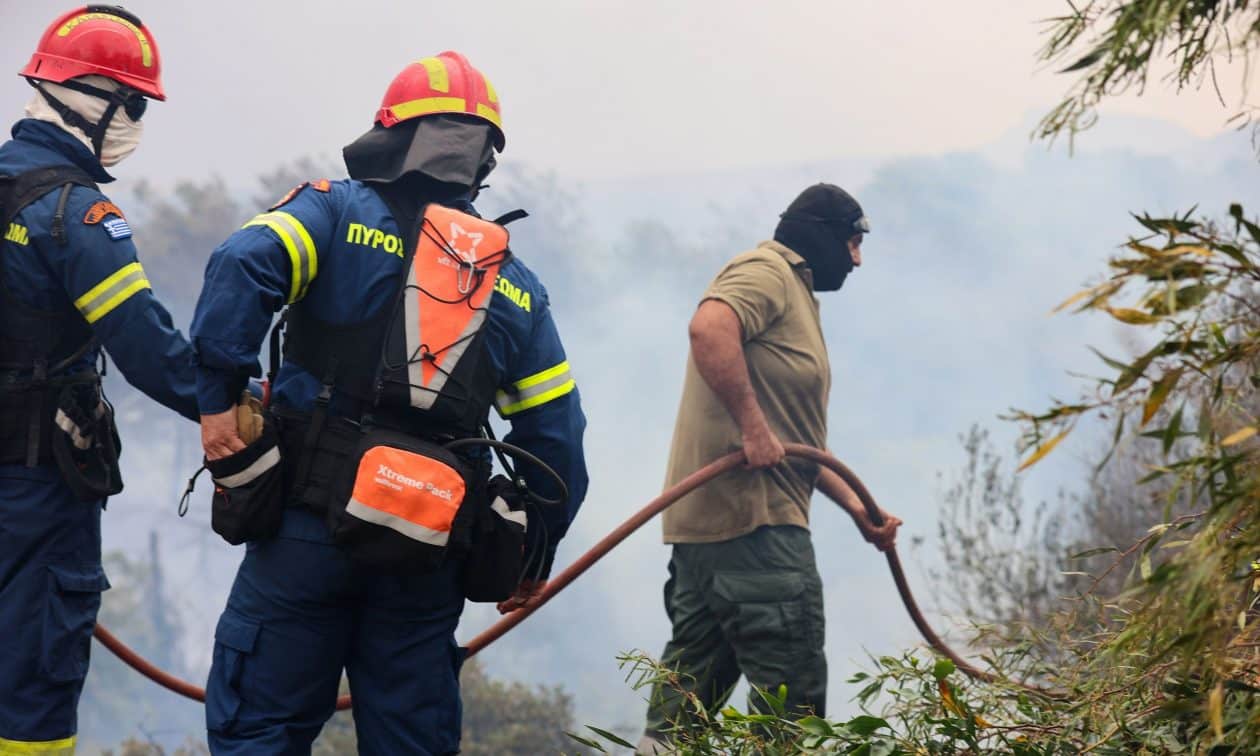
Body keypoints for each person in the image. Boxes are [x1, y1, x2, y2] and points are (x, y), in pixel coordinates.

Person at [190, 51, 588, 754]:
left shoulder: (333, 213)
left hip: (304, 537)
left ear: (389, 135)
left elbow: (239, 264)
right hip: (425, 552)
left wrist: (220, 400)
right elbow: (556, 440)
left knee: (260, 734)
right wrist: (537, 550)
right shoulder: (517, 286)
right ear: (484, 161)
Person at [638, 183, 903, 753]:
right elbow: (709, 328)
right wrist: (751, 426)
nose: (857, 259)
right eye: (854, 242)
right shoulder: (767, 270)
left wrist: (858, 507)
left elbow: (792, 445)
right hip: (756, 527)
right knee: (793, 696)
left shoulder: (799, 296)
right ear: (822, 235)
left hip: (712, 533)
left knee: (685, 699)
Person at [0, 6, 199, 754]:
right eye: (135, 105)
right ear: (96, 101)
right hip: (36, 492)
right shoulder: (75, 214)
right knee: (33, 696)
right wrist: (237, 405)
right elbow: (148, 350)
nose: (136, 124)